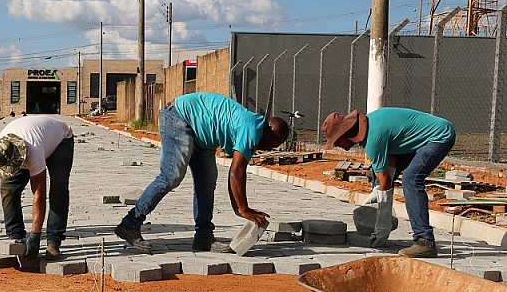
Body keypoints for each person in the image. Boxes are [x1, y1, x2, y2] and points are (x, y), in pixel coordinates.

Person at [114, 92, 289, 254]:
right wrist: (243, 209)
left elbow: (235, 173)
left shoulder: (255, 128)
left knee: (207, 182)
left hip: (203, 136)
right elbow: (237, 171)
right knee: (171, 176)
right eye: (270, 144)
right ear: (269, 131)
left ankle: (204, 237)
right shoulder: (252, 128)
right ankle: (130, 224)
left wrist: (240, 209)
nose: (267, 149)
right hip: (179, 117)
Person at [321, 106, 456, 258]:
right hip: (417, 139)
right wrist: (377, 192)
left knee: (411, 179)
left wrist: (383, 220)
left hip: (439, 136)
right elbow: (390, 160)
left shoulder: (373, 139)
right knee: (378, 178)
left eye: (337, 141)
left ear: (346, 134)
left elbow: (386, 180)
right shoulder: (371, 126)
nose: (338, 146)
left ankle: (425, 241)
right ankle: (375, 229)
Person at [0, 115, 75, 260]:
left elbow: (39, 194)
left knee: (58, 189)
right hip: (35, 138)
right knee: (8, 189)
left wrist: (35, 235)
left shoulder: (33, 151)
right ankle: (16, 237)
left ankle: (53, 241)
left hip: (60, 141)